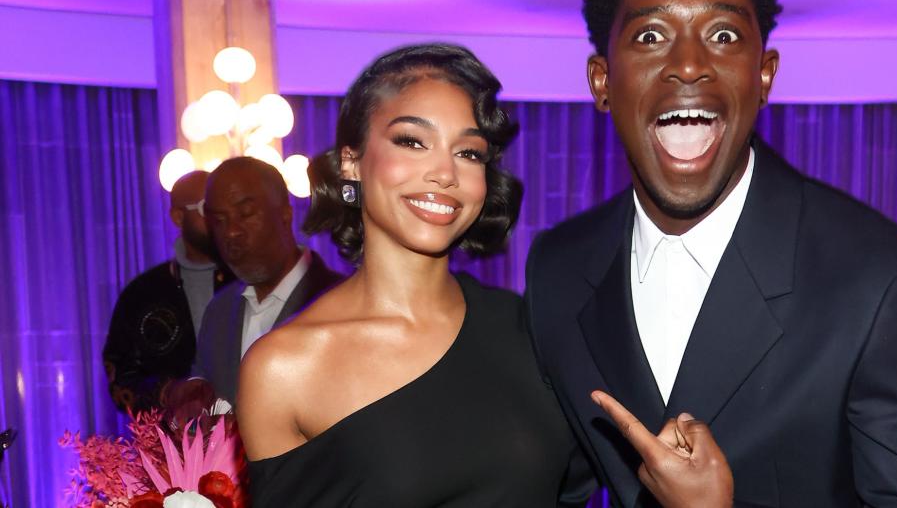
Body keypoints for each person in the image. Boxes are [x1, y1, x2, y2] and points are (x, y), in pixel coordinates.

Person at [524, 0, 897, 507]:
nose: (688, 63)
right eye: (651, 35)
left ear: (763, 76)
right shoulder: (557, 266)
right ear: (602, 83)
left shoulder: (879, 282)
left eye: (723, 35)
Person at [235, 44, 592, 505]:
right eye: (412, 141)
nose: (444, 172)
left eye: (469, 152)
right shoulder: (283, 367)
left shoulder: (532, 330)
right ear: (351, 161)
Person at [191, 157, 343, 405]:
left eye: (246, 213)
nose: (232, 231)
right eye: (219, 220)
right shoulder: (218, 312)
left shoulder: (340, 302)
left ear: (285, 213)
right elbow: (203, 387)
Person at [102, 170, 234, 412]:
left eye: (223, 207)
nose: (219, 217)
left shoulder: (248, 280)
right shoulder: (143, 293)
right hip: (174, 441)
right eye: (207, 207)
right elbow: (120, 375)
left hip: (252, 437)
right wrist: (168, 393)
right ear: (177, 217)